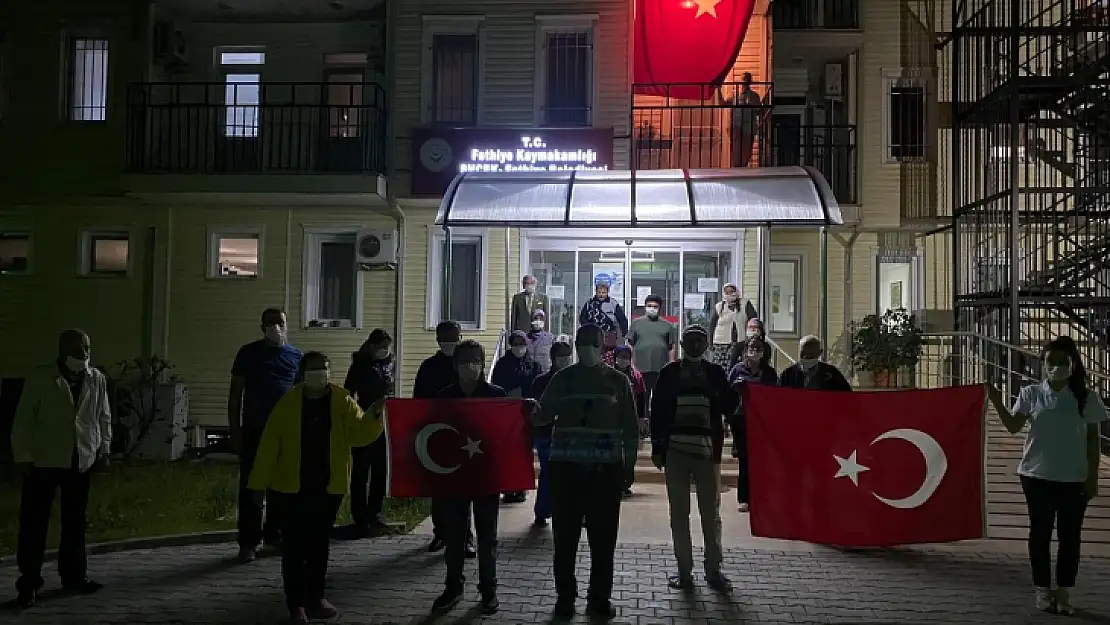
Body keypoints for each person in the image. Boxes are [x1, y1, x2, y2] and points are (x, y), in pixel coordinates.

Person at [248, 351, 383, 624]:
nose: (319, 374)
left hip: (327, 486)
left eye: (323, 368)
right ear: (302, 373)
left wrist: (374, 414)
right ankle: (296, 604)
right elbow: (268, 447)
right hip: (290, 487)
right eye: (313, 369)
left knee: (319, 545)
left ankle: (316, 598)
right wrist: (258, 485)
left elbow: (359, 435)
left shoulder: (342, 401)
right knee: (295, 547)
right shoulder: (287, 404)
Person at [986, 336, 1105, 615]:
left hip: (1074, 478)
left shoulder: (1086, 398)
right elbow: (1013, 426)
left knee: (1070, 536)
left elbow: (1093, 442)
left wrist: (1093, 478)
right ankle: (1042, 589)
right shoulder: (1030, 394)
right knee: (1039, 534)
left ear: (1074, 365)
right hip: (1036, 476)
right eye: (1052, 362)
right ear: (1043, 364)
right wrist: (996, 401)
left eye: (1064, 362)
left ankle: (1064, 591)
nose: (1057, 367)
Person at [536, 324, 639, 620]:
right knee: (564, 540)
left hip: (604, 473)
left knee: (603, 540)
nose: (586, 348)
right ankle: (565, 598)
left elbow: (630, 428)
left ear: (603, 346)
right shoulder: (562, 379)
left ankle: (599, 598)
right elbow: (543, 414)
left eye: (592, 343)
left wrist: (628, 466)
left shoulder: (618, 382)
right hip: (565, 472)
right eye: (582, 342)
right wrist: (529, 410)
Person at [10, 329, 111, 609]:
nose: (84, 355)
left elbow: (103, 417)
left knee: (76, 522)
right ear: (63, 350)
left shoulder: (96, 379)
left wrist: (104, 450)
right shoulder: (41, 377)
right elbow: (24, 419)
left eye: (87, 348)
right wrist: (23, 456)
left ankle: (75, 576)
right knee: (34, 523)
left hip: (80, 459)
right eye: (78, 349)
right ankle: (29, 583)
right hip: (44, 460)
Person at [649, 325, 735, 591]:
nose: (695, 345)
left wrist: (734, 391)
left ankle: (714, 570)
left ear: (707, 343)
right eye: (690, 340)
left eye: (699, 340)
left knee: (711, 515)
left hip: (708, 454)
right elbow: (658, 411)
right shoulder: (669, 373)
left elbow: (730, 407)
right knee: (679, 514)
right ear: (682, 343)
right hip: (675, 452)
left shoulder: (716, 373)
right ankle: (684, 571)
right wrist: (657, 447)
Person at [433, 340, 507, 615]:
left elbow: (508, 432)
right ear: (455, 365)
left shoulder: (496, 396)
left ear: (483, 362)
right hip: (453, 478)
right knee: (454, 536)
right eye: (465, 361)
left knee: (487, 537)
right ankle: (453, 587)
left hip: (486, 477)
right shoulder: (443, 397)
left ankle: (488, 590)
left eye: (476, 360)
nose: (471, 366)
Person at [229, 308, 302, 562]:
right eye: (270, 323)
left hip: (285, 434)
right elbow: (235, 394)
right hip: (254, 430)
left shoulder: (295, 356)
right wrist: (235, 430)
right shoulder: (249, 353)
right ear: (262, 327)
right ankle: (248, 542)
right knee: (252, 488)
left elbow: (300, 395)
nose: (275, 327)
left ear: (286, 324)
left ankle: (275, 537)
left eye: (279, 322)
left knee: (281, 487)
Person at [413, 320, 474, 555]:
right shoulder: (429, 367)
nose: (451, 343)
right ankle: (441, 534)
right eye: (446, 339)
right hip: (436, 435)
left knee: (464, 489)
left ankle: (466, 537)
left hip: (465, 438)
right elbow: (419, 401)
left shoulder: (467, 366)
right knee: (439, 488)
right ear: (438, 340)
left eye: (454, 338)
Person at [340, 329, 395, 539]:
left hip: (383, 423)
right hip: (364, 421)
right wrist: (355, 418)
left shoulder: (386, 365)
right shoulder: (359, 366)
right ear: (371, 346)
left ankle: (375, 512)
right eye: (381, 347)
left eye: (387, 348)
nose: (385, 351)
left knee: (380, 469)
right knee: (361, 471)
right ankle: (360, 516)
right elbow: (348, 393)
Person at [727, 336, 778, 513]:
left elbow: (776, 397)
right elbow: (728, 394)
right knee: (745, 460)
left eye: (758, 347)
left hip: (762, 421)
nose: (754, 350)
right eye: (751, 346)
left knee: (762, 460)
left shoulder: (769, 373)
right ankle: (744, 498)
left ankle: (761, 496)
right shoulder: (737, 369)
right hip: (741, 419)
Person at [526, 341, 573, 528]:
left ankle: (567, 511)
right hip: (546, 434)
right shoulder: (542, 381)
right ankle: (543, 511)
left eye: (568, 354)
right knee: (548, 472)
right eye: (561, 355)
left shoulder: (575, 379)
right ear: (553, 357)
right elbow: (533, 407)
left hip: (570, 434)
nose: (565, 358)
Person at [492, 330, 542, 504]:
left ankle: (520, 488)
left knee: (524, 453)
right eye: (516, 343)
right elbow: (497, 386)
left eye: (522, 343)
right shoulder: (502, 364)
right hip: (507, 414)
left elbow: (538, 388)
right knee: (507, 453)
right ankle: (508, 488)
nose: (519, 346)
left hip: (525, 414)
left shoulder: (534, 365)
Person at [627, 294, 676, 411]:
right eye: (649, 306)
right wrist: (631, 363)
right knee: (642, 398)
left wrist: (671, 365)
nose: (652, 308)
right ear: (645, 307)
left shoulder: (667, 325)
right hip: (640, 368)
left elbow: (671, 347)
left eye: (655, 306)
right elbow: (630, 344)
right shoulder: (636, 323)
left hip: (660, 368)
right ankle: (642, 422)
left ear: (660, 308)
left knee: (660, 398)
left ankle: (658, 423)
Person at [612, 344, 648, 498]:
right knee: (616, 455)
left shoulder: (636, 376)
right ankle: (615, 483)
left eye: (626, 358)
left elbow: (641, 399)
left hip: (631, 420)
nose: (624, 360)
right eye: (621, 357)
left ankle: (626, 482)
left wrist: (642, 418)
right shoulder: (609, 374)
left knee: (630, 454)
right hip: (613, 420)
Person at [578, 279, 628, 367]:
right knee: (594, 355)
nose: (601, 294)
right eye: (599, 292)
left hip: (609, 335)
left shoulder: (613, 303)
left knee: (609, 357)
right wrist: (587, 330)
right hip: (593, 335)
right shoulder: (589, 304)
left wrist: (624, 332)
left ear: (607, 292)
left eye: (603, 292)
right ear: (596, 292)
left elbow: (622, 319)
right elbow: (583, 318)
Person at [718, 72, 763, 167]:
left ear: (750, 83)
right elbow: (722, 104)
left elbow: (759, 112)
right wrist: (718, 89)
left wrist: (754, 106)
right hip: (736, 128)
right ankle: (736, 172)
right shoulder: (734, 95)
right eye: (744, 82)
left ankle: (743, 170)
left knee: (746, 155)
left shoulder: (754, 96)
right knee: (736, 154)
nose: (745, 85)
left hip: (748, 129)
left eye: (747, 82)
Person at [778, 335, 852, 391]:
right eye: (803, 353)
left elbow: (846, 395)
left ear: (820, 353)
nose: (806, 357)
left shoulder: (831, 373)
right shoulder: (787, 375)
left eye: (810, 355)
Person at [707, 283, 750, 367]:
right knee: (719, 368)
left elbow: (753, 319)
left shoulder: (745, 304)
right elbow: (712, 325)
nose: (730, 294)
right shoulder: (719, 306)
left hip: (739, 343)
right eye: (727, 292)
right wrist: (710, 343)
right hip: (720, 343)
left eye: (732, 291)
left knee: (734, 367)